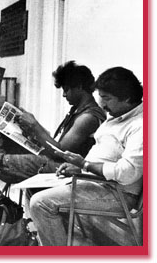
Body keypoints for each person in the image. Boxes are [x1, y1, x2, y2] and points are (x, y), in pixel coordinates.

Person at [0, 61, 106, 215]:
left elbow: (61, 152)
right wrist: (29, 127)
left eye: (66, 89)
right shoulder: (78, 111)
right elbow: (57, 144)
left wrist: (34, 126)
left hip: (61, 166)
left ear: (80, 87)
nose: (64, 94)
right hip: (52, 159)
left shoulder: (88, 117)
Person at [29, 67, 143, 246]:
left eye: (107, 99)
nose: (102, 104)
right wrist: (80, 168)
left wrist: (86, 165)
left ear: (127, 98)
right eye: (101, 97)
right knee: (34, 186)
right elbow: (106, 158)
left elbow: (127, 172)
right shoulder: (116, 115)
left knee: (40, 203)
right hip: (98, 182)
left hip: (117, 193)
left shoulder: (140, 126)